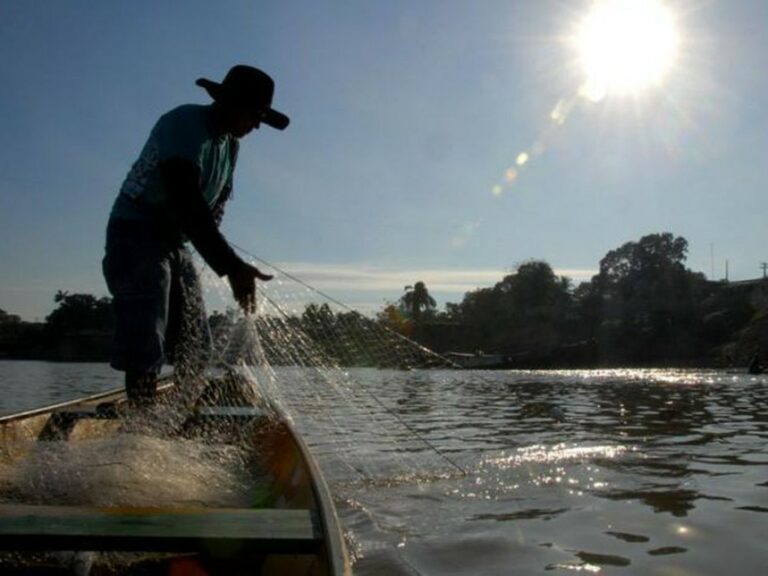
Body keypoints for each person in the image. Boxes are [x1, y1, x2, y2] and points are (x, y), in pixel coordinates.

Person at [102, 65, 288, 406]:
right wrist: (231, 266)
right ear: (229, 102)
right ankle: (141, 426)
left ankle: (180, 414)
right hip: (136, 233)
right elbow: (186, 200)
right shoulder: (185, 124)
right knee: (147, 333)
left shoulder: (231, 146)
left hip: (175, 243)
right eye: (254, 114)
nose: (257, 124)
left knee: (197, 346)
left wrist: (226, 262)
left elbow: (211, 211)